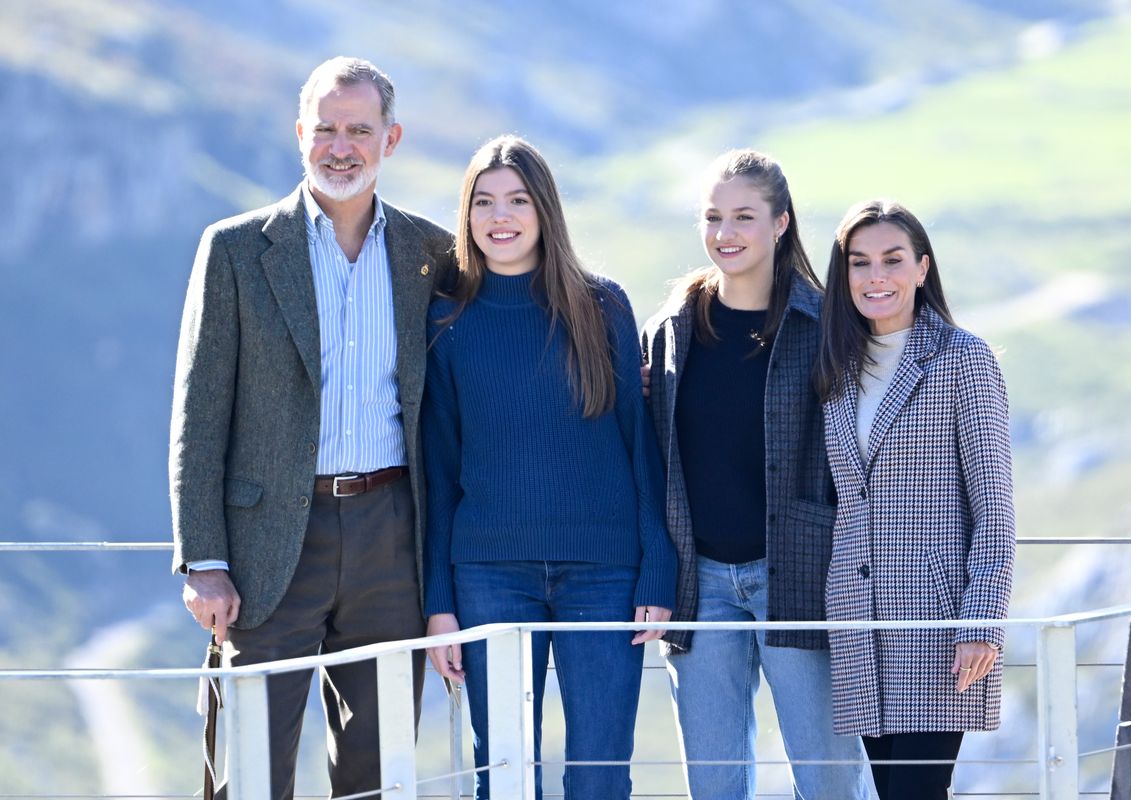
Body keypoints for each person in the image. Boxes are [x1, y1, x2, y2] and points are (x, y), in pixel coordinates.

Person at [169, 57, 454, 799]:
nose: (341, 146)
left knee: (378, 772)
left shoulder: (432, 255)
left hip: (394, 540)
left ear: (391, 140)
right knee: (254, 770)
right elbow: (199, 416)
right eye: (326, 128)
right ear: (300, 134)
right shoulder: (235, 250)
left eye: (359, 130)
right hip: (267, 550)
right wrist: (202, 557)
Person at [421, 135, 677, 800]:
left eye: (517, 200)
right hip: (489, 578)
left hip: (606, 574)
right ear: (466, 214)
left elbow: (639, 446)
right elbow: (440, 471)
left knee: (599, 775)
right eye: (484, 202)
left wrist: (657, 564)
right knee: (502, 773)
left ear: (545, 211)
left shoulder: (603, 307)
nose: (499, 217)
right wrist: (440, 604)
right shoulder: (448, 322)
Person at [641, 149, 873, 800]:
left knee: (829, 782)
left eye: (744, 216)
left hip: (799, 578)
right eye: (713, 217)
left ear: (780, 223)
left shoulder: (829, 326)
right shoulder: (669, 331)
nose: (725, 233)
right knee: (714, 787)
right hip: (700, 586)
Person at [815, 199, 1016, 799]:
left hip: (937, 622)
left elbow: (995, 504)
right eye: (860, 262)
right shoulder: (835, 369)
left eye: (893, 260)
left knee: (918, 793)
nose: (876, 276)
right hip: (856, 618)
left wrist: (982, 618)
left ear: (922, 269)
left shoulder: (963, 359)